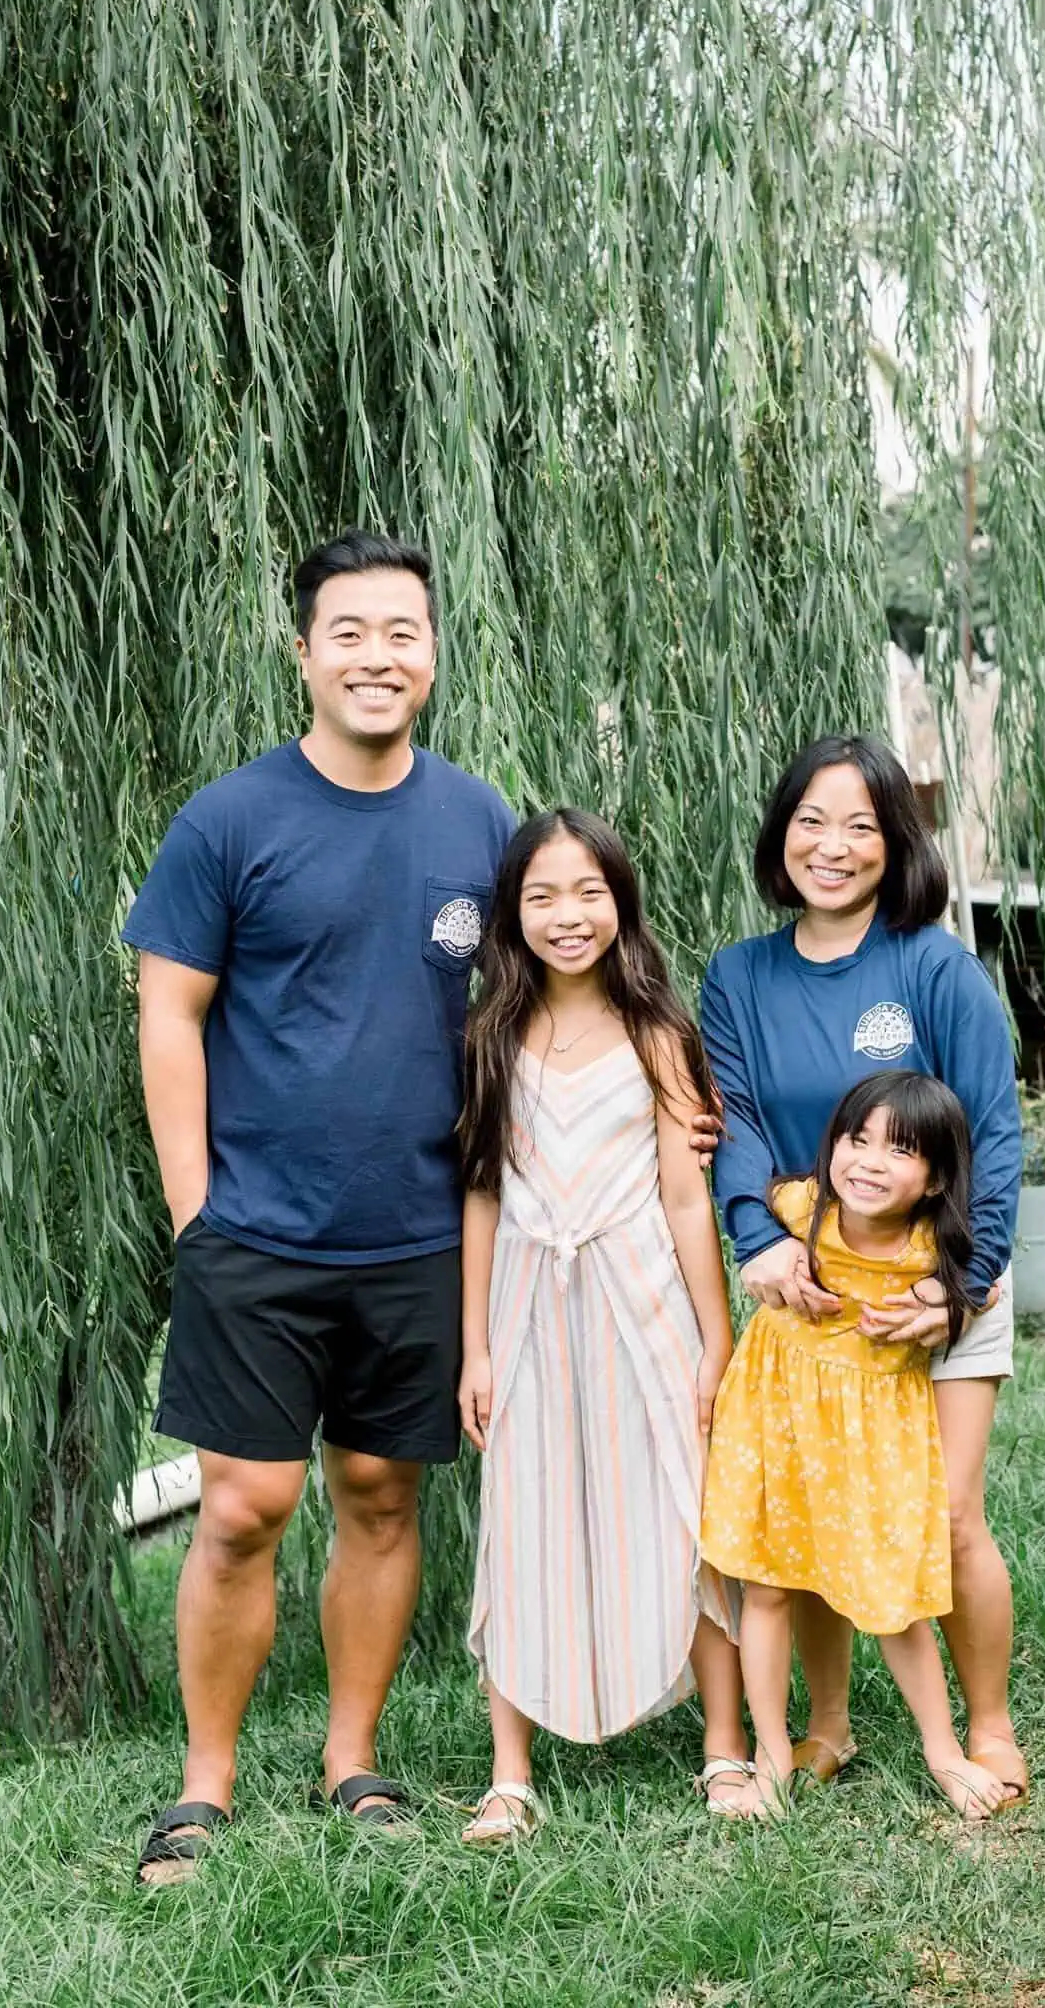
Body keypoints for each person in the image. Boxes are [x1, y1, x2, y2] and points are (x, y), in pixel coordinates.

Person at [122, 529, 517, 1886]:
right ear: (303, 653)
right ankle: (205, 1783)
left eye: (401, 632)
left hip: (419, 1231)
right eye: (348, 632)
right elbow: (169, 1016)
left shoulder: (478, 822)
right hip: (257, 1232)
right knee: (243, 1506)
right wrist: (195, 1211)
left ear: (432, 654)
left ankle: (353, 1759)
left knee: (380, 1494)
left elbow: (537, 1004)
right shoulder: (229, 822)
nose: (376, 656)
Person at [700, 734, 1027, 1807]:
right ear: (780, 833)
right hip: (815, 1280)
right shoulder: (739, 976)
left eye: (860, 825)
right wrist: (757, 1238)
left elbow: (992, 1130)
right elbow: (736, 1122)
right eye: (811, 821)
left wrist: (959, 1284)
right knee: (812, 1512)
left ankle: (987, 1724)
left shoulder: (932, 966)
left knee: (946, 1512)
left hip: (944, 1274)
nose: (831, 846)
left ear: (896, 843)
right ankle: (828, 1724)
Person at [456, 810, 747, 1841]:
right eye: (541, 896)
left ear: (620, 901)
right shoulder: (491, 1036)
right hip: (529, 1302)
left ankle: (724, 1745)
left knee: (678, 1506)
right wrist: (476, 1345)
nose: (567, 915)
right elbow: (481, 1193)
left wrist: (715, 1337)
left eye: (588, 891)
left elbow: (684, 1197)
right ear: (513, 913)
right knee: (522, 1513)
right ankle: (510, 1773)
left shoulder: (657, 1033)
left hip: (641, 1295)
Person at [702, 1072, 1010, 1821]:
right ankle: (772, 1759)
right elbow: (736, 1197)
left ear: (936, 1179)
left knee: (893, 1594)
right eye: (856, 1139)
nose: (869, 1162)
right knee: (768, 1586)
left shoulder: (934, 1250)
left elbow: (985, 1287)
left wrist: (958, 1294)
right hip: (776, 1423)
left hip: (874, 1444)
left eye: (899, 1150)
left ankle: (945, 1751)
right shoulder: (800, 1212)